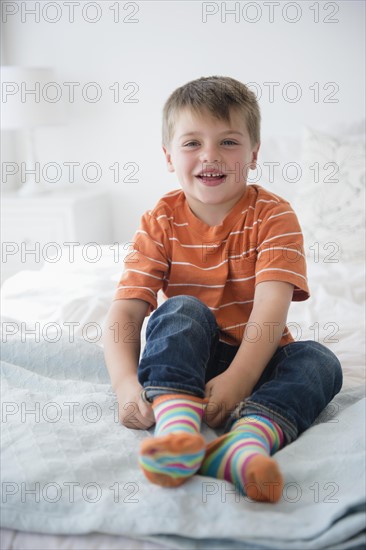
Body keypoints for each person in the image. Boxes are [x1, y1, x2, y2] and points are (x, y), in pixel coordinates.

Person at [103, 76, 342, 503]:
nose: (210, 156)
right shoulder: (160, 219)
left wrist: (239, 378)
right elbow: (125, 313)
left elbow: (272, 308)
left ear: (253, 155)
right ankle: (178, 431)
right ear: (168, 156)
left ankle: (244, 443)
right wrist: (125, 385)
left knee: (320, 362)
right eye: (192, 143)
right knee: (181, 310)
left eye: (228, 142)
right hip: (187, 352)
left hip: (256, 352)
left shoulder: (274, 216)